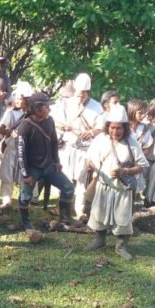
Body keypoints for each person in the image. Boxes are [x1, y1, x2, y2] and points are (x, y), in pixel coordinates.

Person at [85, 105, 149, 260]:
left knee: (122, 218)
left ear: (124, 128)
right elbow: (89, 158)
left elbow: (142, 166)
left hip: (122, 188)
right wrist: (90, 165)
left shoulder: (131, 142)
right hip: (103, 185)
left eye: (119, 128)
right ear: (108, 127)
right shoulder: (100, 140)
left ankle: (121, 246)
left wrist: (124, 171)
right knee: (99, 214)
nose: (115, 131)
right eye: (112, 127)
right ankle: (99, 240)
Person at [16, 92, 75, 231]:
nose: (49, 109)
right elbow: (21, 152)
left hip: (49, 166)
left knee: (68, 188)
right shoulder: (24, 126)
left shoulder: (50, 121)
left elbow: (53, 142)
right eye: (46, 106)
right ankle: (25, 222)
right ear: (37, 109)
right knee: (25, 197)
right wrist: (25, 175)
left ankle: (65, 217)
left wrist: (56, 161)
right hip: (32, 168)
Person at [54, 73, 103, 219]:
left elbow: (101, 128)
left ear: (88, 92)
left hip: (84, 149)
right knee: (65, 178)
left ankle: (79, 210)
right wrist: (65, 127)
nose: (80, 98)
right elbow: (55, 121)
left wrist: (91, 132)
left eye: (83, 95)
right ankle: (62, 208)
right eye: (78, 95)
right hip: (67, 147)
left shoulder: (97, 107)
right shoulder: (66, 103)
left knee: (82, 180)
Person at [0, 82, 33, 211]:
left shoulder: (32, 115)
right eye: (16, 98)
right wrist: (10, 132)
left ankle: (24, 201)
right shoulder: (10, 113)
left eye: (20, 99)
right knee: (7, 177)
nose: (17, 101)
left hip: (26, 151)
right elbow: (0, 128)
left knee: (25, 178)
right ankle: (6, 201)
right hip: (11, 148)